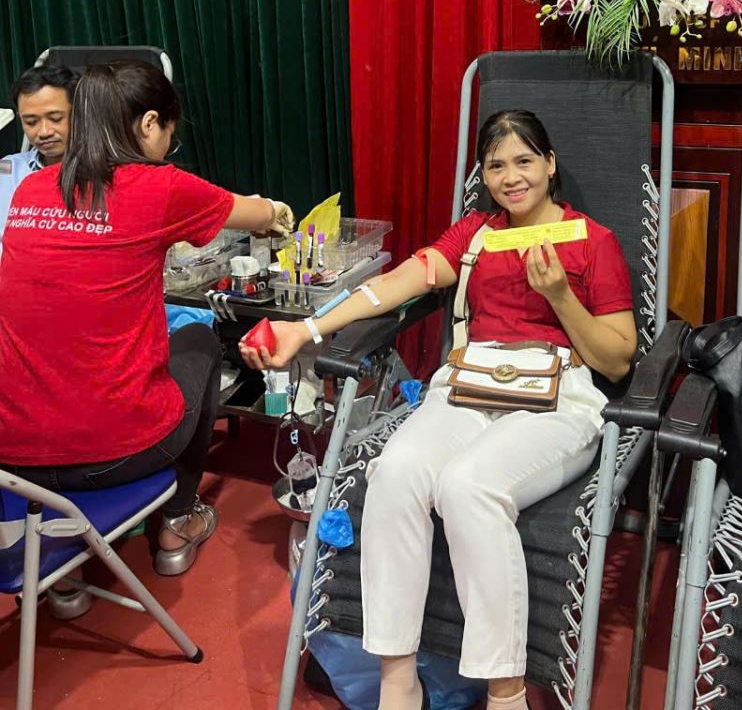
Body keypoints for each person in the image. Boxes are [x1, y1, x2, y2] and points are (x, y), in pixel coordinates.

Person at [241, 109, 636, 710]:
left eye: (525, 161)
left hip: (559, 394)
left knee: (469, 486)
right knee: (396, 473)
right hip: (470, 383)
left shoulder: (592, 241)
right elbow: (397, 283)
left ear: (551, 164)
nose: (512, 177)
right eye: (497, 166)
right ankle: (398, 681)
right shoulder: (475, 235)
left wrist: (559, 295)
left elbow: (617, 359)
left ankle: (506, 694)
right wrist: (307, 329)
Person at [0, 61, 294, 613]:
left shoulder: (30, 189)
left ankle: (62, 573)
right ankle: (179, 523)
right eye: (170, 136)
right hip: (115, 457)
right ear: (151, 123)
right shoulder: (158, 185)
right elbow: (260, 215)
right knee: (201, 339)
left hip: (12, 463)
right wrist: (280, 215)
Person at [0, 64, 78, 253]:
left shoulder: (105, 173)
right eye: (31, 122)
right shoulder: (8, 169)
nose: (44, 132)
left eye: (56, 119)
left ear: (79, 114)